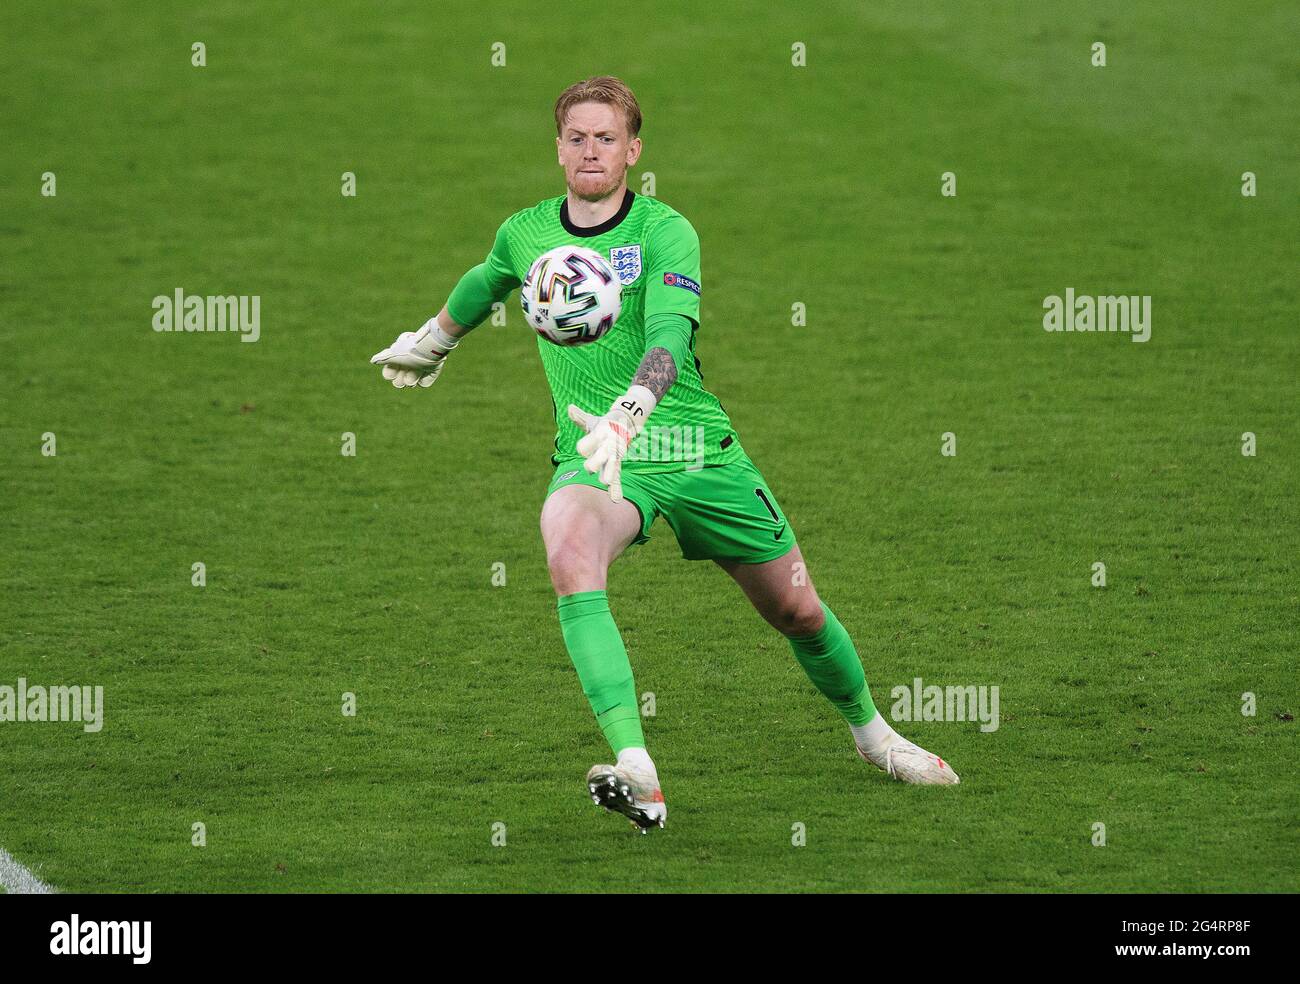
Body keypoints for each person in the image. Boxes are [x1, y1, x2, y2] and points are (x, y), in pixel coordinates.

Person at [370, 76, 958, 832]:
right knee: (568, 550)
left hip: (687, 444)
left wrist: (632, 409)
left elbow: (670, 337)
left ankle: (874, 736)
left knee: (797, 609)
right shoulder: (526, 234)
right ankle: (636, 767)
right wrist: (436, 342)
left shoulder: (663, 232)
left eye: (606, 138)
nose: (590, 151)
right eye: (577, 137)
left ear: (633, 151)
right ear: (558, 148)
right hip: (597, 451)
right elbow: (489, 279)